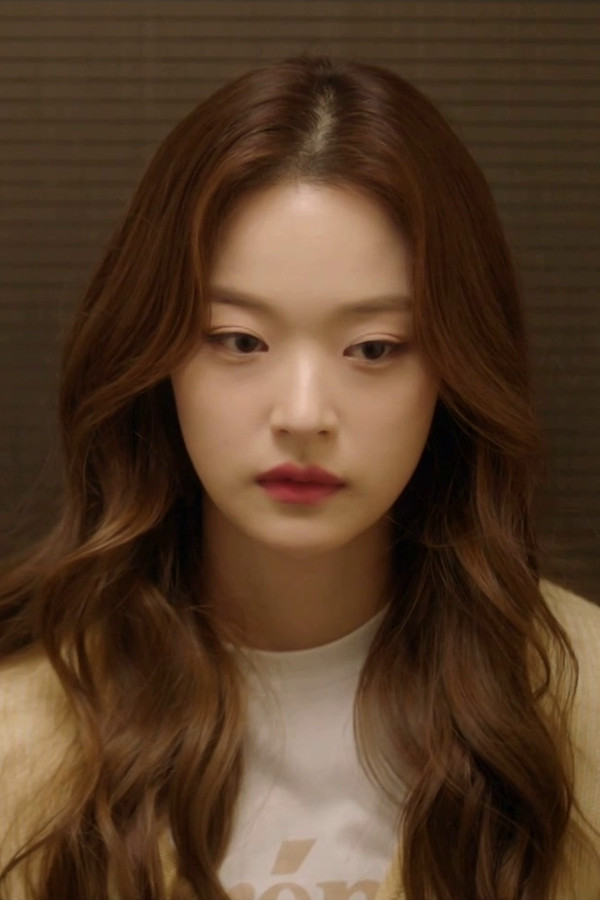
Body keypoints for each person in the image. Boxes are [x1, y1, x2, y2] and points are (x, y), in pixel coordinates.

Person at [0, 53, 598, 900]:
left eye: (375, 349)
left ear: (456, 368)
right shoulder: (20, 733)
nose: (305, 413)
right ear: (156, 355)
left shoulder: (582, 703)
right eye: (240, 341)